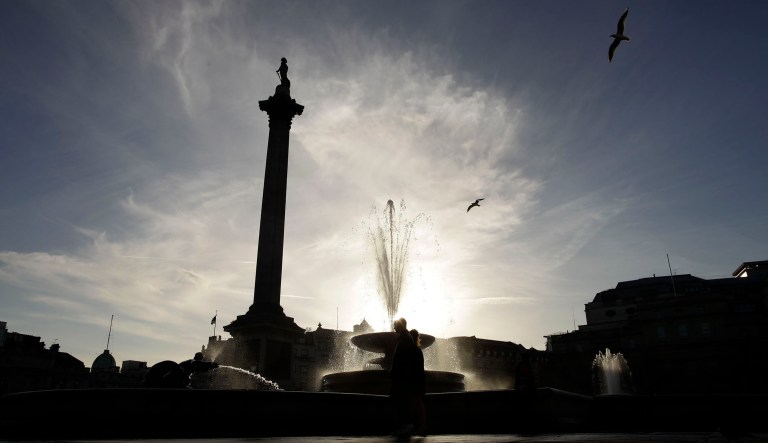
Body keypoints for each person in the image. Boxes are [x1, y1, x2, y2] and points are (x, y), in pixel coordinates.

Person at [389, 317, 418, 437]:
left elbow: (403, 358)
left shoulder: (405, 338)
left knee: (401, 401)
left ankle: (406, 426)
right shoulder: (405, 337)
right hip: (402, 375)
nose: (393, 327)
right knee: (400, 401)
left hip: (402, 376)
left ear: (401, 325)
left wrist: (397, 371)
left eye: (395, 325)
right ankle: (404, 426)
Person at [409, 328, 427, 436]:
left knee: (418, 403)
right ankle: (419, 427)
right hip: (419, 380)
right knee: (417, 403)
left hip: (415, 381)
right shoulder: (417, 350)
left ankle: (422, 427)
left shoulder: (414, 351)